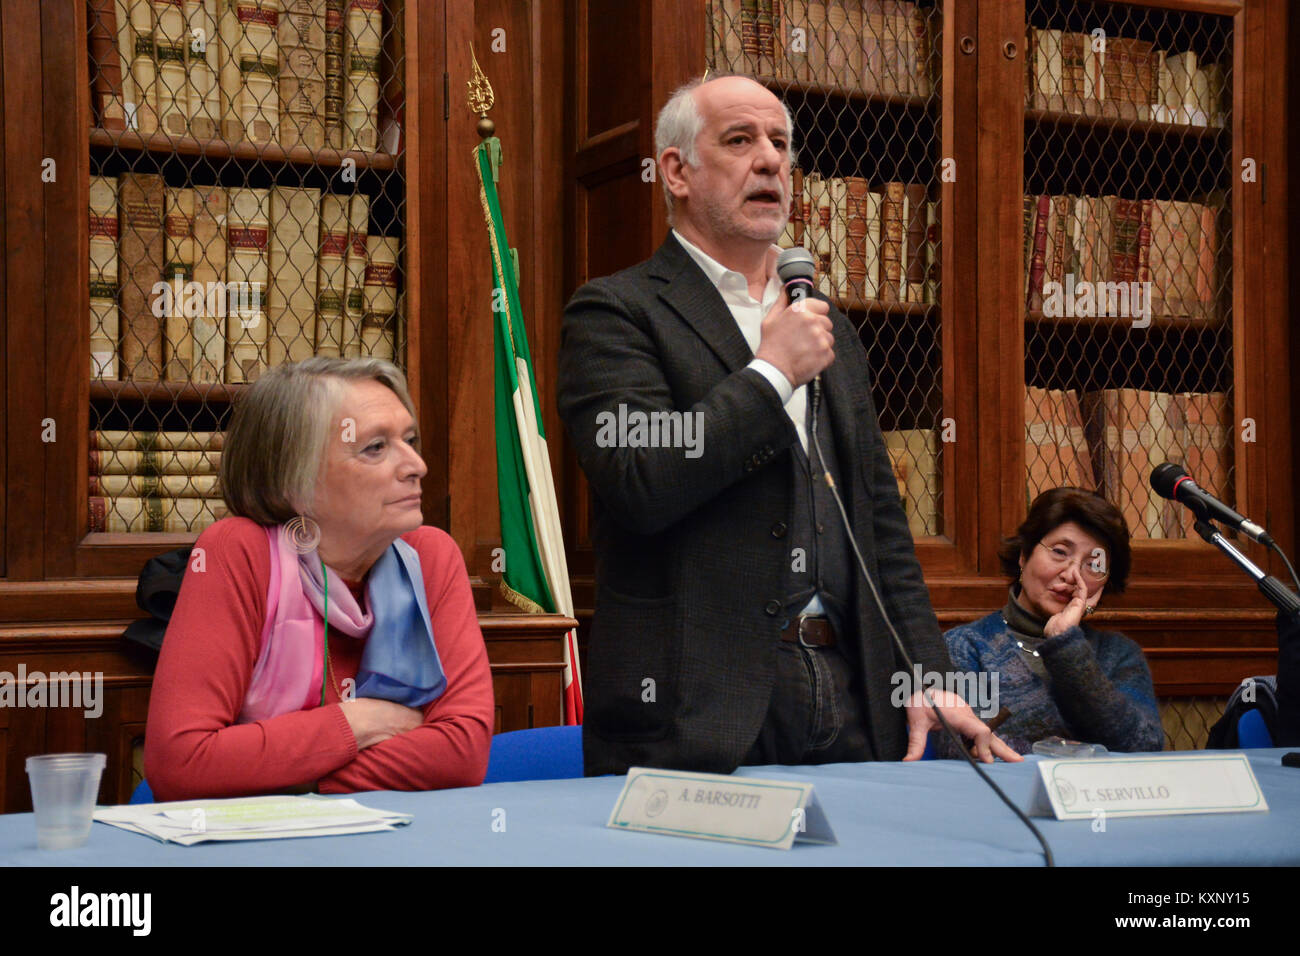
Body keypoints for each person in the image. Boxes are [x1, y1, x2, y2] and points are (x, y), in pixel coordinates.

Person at [557, 73, 1018, 775]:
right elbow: (641, 482)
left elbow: (879, 522)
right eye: (740, 141)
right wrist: (771, 374)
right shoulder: (617, 313)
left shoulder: (822, 324)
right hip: (698, 708)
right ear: (677, 171)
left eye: (780, 143)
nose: (770, 160)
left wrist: (925, 672)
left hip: (852, 690)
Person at [144, 358, 494, 799]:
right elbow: (182, 764)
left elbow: (461, 754)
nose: (417, 465)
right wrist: (360, 723)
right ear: (295, 482)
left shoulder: (429, 555)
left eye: (409, 440)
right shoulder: (239, 552)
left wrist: (292, 776)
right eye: (375, 448)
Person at [943, 487, 1163, 754]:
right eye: (1060, 552)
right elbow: (964, 750)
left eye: (1093, 565)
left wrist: (1065, 645)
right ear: (1024, 556)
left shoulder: (1119, 654)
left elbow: (1143, 748)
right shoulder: (965, 647)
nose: (1072, 574)